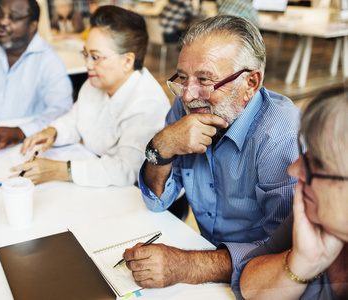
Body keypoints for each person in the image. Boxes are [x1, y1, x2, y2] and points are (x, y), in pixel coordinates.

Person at [124, 15, 302, 288]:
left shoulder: (280, 136)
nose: (187, 94)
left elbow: (284, 253)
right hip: (207, 255)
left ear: (251, 83)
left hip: (257, 283)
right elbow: (156, 201)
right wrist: (161, 147)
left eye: (205, 80)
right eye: (183, 78)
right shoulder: (187, 106)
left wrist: (188, 266)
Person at [11, 5, 171, 187]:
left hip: (136, 196)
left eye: (95, 57)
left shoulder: (147, 104)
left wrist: (59, 170)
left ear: (127, 61)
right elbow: (76, 119)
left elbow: (127, 169)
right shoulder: (96, 84)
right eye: (85, 54)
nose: (87, 64)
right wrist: (53, 132)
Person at [232, 85, 348, 300]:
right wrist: (302, 262)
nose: (293, 169)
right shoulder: (312, 211)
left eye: (319, 163)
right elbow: (247, 282)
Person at [0, 0, 73, 152]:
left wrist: (21, 131)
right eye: (0, 14)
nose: (2, 22)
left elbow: (61, 110)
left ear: (32, 25)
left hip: (28, 143)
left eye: (14, 17)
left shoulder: (49, 60)